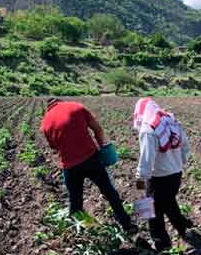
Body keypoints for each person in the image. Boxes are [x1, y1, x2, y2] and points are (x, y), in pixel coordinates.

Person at [42, 98, 137, 234]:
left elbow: (54, 148)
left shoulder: (45, 122)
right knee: (109, 192)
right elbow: (98, 129)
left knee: (75, 203)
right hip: (91, 159)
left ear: (48, 108)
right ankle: (127, 226)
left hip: (69, 166)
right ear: (61, 101)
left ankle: (88, 232)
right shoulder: (76, 107)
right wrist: (103, 148)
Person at [133, 97, 192, 250]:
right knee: (169, 202)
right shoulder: (170, 121)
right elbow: (185, 146)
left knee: (152, 212)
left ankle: (161, 243)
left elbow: (146, 161)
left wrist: (140, 183)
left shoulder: (148, 130)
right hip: (175, 174)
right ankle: (184, 228)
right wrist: (178, 163)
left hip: (158, 178)